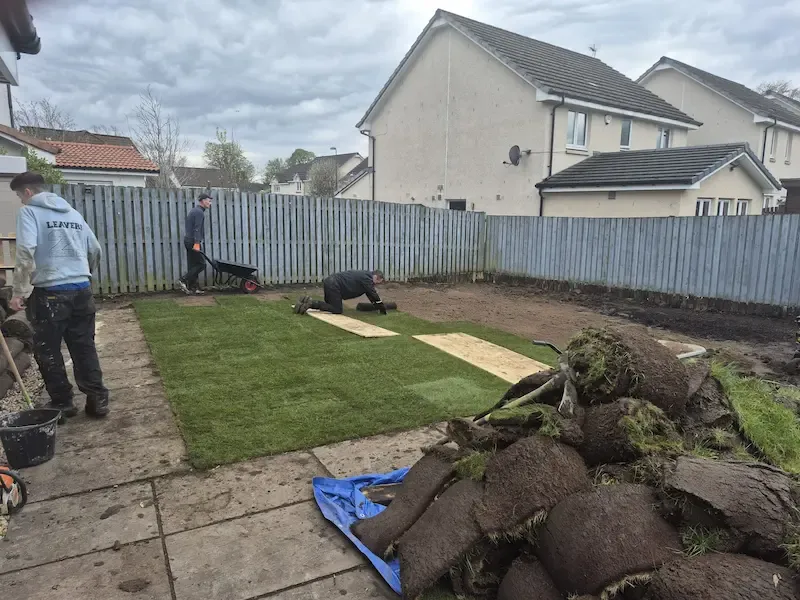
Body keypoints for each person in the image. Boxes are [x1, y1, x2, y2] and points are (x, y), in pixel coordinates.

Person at [9, 172, 109, 418]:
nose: (21, 200)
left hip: (50, 292)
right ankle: (97, 400)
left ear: (28, 192)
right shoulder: (73, 214)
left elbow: (25, 251)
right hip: (81, 290)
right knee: (84, 346)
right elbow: (95, 249)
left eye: (20, 196)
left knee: (48, 349)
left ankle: (63, 403)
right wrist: (83, 274)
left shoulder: (29, 212)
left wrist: (19, 291)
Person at [295, 270, 386, 315]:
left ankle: (305, 301)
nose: (376, 284)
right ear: (376, 277)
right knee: (337, 310)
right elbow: (373, 294)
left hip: (330, 282)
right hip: (334, 285)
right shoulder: (367, 279)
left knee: (329, 305)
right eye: (378, 282)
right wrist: (382, 308)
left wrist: (379, 307)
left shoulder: (365, 276)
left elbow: (370, 295)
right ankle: (311, 303)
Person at [177, 193, 212, 295]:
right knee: (201, 264)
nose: (210, 203)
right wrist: (197, 243)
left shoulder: (195, 211)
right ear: (203, 201)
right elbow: (197, 228)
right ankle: (183, 280)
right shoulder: (199, 212)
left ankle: (193, 287)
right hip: (193, 241)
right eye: (209, 201)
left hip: (188, 240)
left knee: (193, 265)